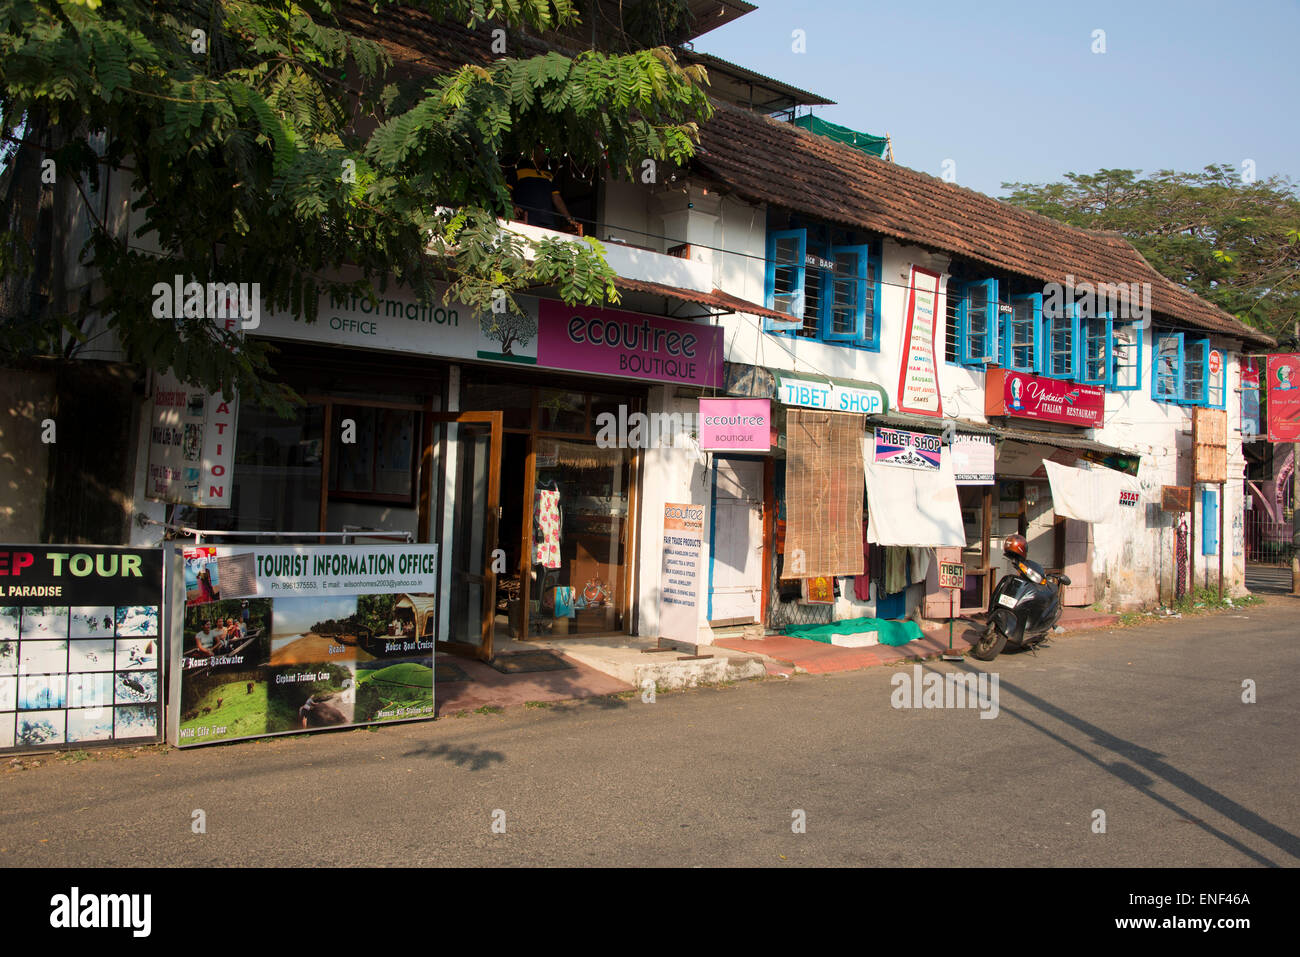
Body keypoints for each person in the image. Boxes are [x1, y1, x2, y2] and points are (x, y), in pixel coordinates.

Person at [510, 146, 580, 232]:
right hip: (527, 219)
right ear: (535, 150)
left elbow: (557, 199)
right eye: (544, 150)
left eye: (548, 151)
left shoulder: (549, 174)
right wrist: (513, 207)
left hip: (548, 222)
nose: (546, 153)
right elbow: (506, 191)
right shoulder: (518, 169)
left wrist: (569, 219)